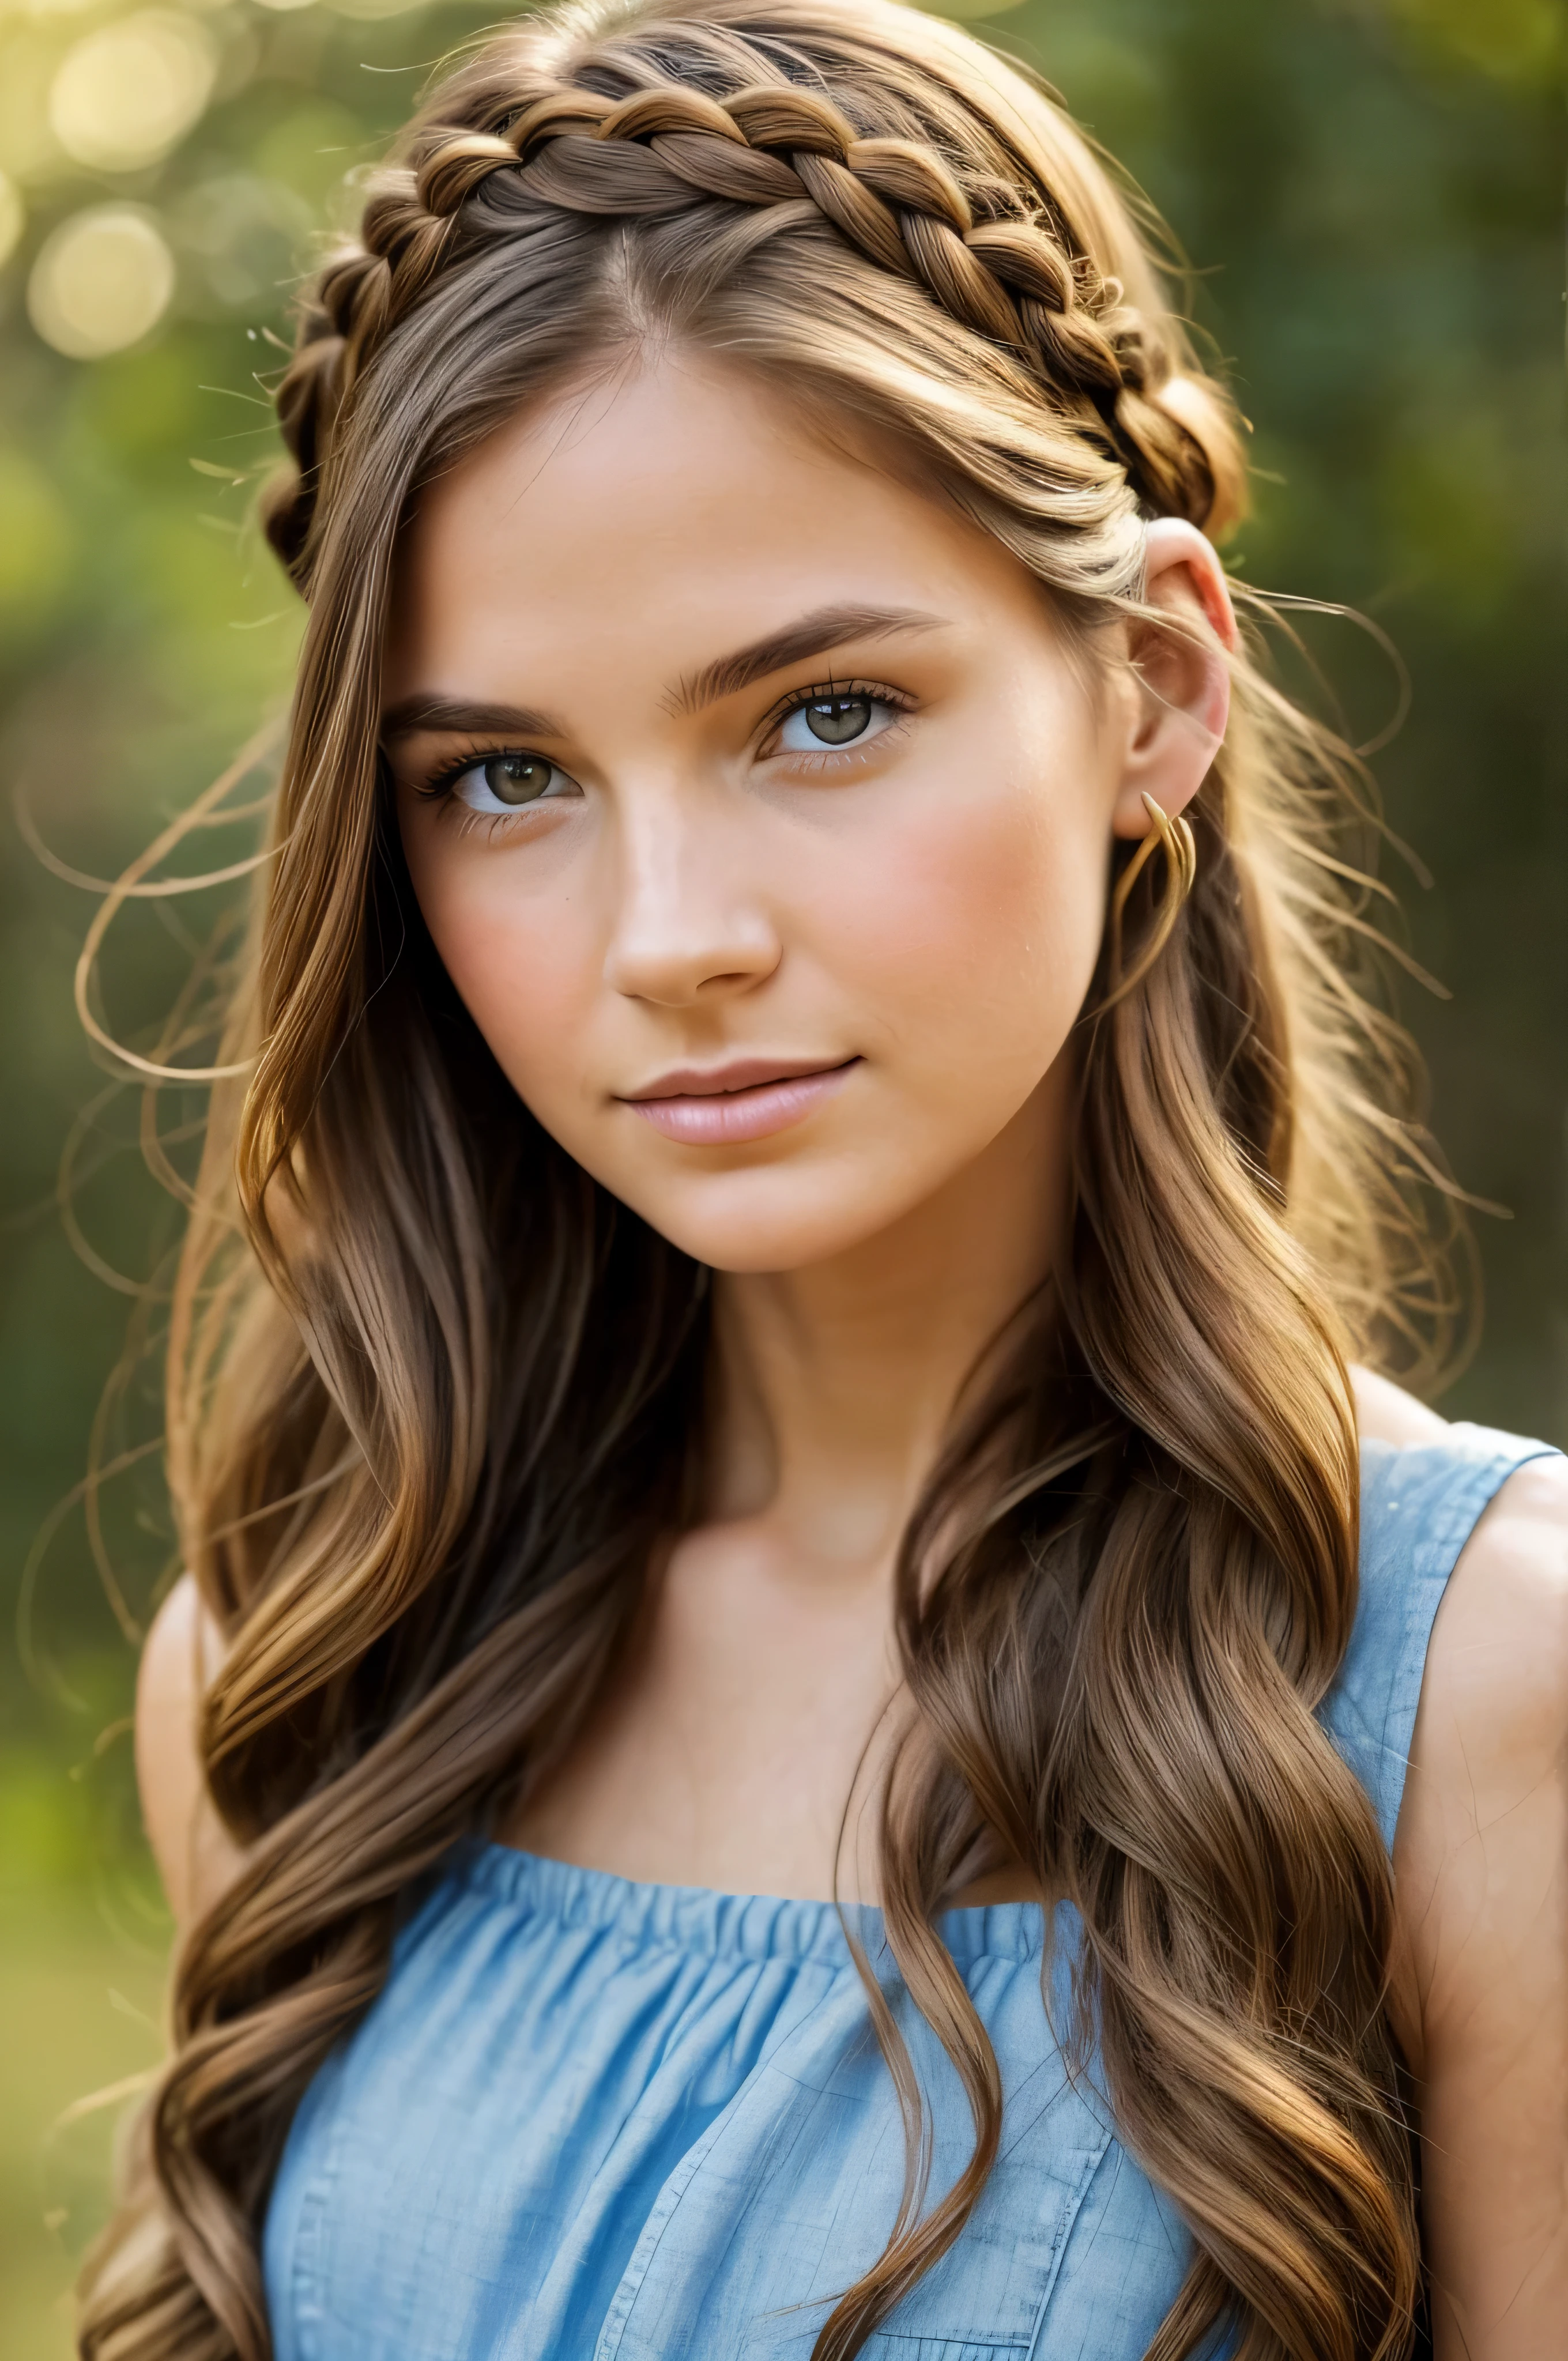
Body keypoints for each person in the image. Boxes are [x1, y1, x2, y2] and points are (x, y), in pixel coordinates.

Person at [82, 2, 1566, 2356]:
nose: (669, 938)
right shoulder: (308, 1690)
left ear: (1155, 687)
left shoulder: (1488, 1695)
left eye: (820, 717)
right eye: (502, 776)